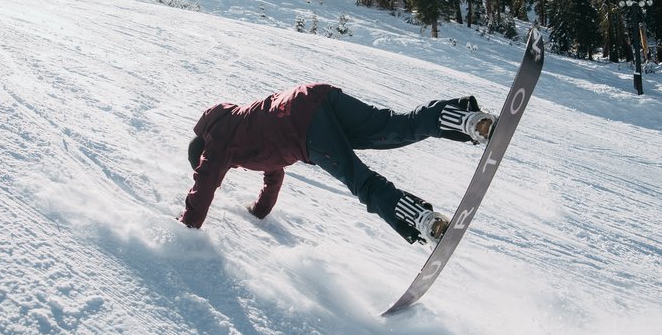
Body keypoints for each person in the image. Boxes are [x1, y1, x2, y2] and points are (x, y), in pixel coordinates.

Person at [179, 83, 496, 245]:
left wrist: (186, 226)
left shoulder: (218, 140)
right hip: (316, 97)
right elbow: (273, 176)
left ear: (205, 152)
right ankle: (467, 120)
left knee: (363, 182)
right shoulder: (241, 127)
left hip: (302, 129)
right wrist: (258, 211)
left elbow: (205, 180)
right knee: (394, 127)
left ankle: (423, 222)